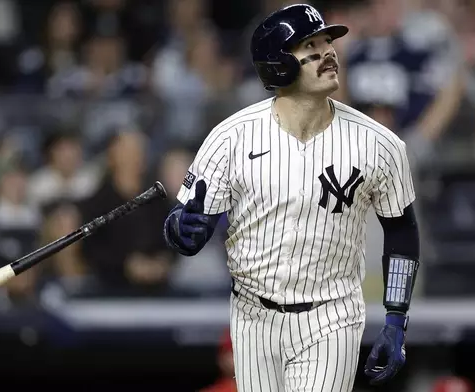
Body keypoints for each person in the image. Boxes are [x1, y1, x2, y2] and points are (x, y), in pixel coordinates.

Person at [163, 4, 420, 391]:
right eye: (310, 47)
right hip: (252, 314)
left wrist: (396, 317)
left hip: (332, 314)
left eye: (327, 42)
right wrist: (179, 229)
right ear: (278, 65)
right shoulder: (230, 137)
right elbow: (187, 227)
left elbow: (401, 231)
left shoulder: (379, 144)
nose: (328, 53)